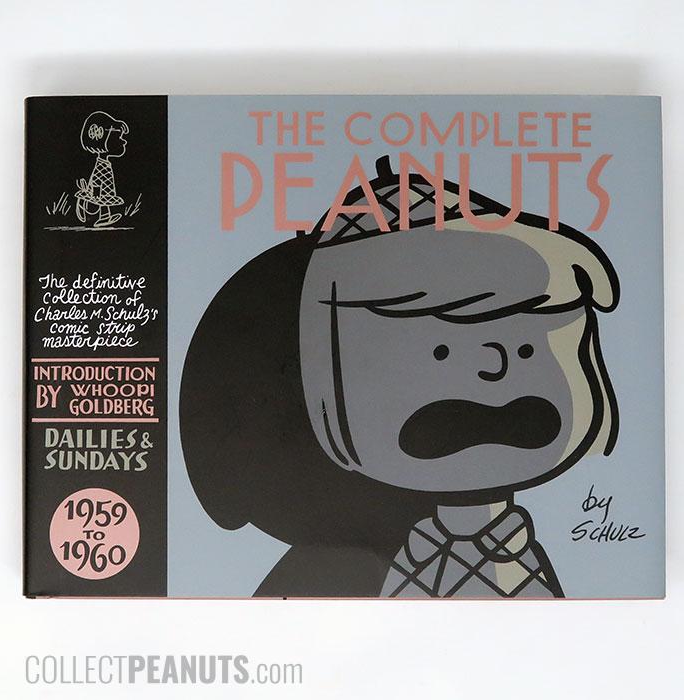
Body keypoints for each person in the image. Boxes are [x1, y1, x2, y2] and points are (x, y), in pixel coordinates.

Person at [180, 156, 619, 598]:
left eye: (526, 349)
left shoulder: (574, 575)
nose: (493, 368)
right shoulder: (335, 569)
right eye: (440, 353)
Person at [75, 111, 129, 228]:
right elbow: (97, 182)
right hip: (97, 193)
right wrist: (94, 195)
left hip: (101, 189)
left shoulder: (104, 164)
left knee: (105, 197)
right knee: (102, 197)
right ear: (103, 139)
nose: (124, 141)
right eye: (118, 137)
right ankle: (99, 216)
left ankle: (104, 217)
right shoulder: (102, 166)